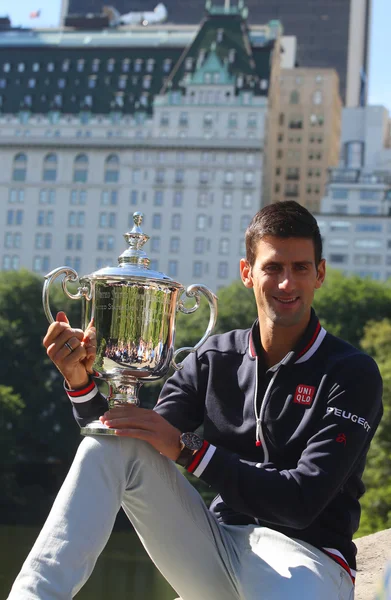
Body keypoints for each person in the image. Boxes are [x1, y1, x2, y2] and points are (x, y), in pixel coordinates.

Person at [8, 201, 383, 600]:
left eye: (300, 268)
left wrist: (191, 450)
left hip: (311, 558)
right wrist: (80, 383)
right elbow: (135, 441)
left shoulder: (352, 372)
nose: (286, 283)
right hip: (216, 545)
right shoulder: (213, 359)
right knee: (106, 445)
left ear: (319, 274)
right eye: (273, 268)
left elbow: (302, 502)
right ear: (247, 274)